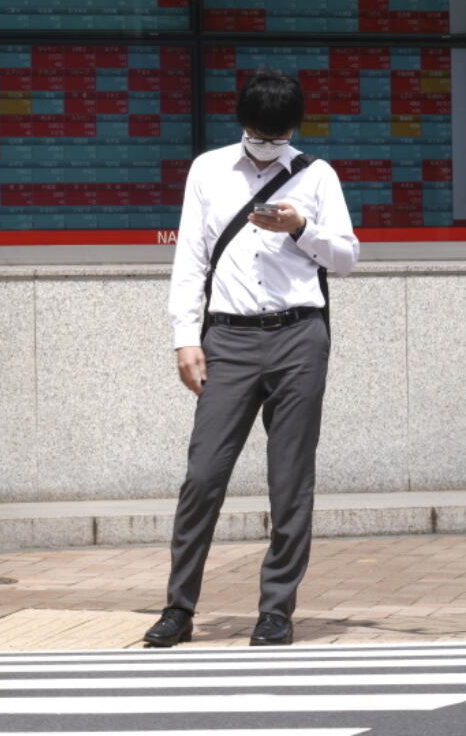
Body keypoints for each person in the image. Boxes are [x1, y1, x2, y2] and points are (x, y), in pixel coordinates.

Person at [143, 68, 359, 648]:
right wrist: (185, 338)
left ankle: (276, 611)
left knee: (291, 479)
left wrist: (301, 227)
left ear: (293, 127)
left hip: (298, 336)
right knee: (203, 474)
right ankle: (178, 608)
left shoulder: (317, 176)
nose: (267, 149)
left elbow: (345, 258)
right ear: (242, 124)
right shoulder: (209, 170)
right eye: (260, 137)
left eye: (278, 138)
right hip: (229, 339)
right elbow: (189, 258)